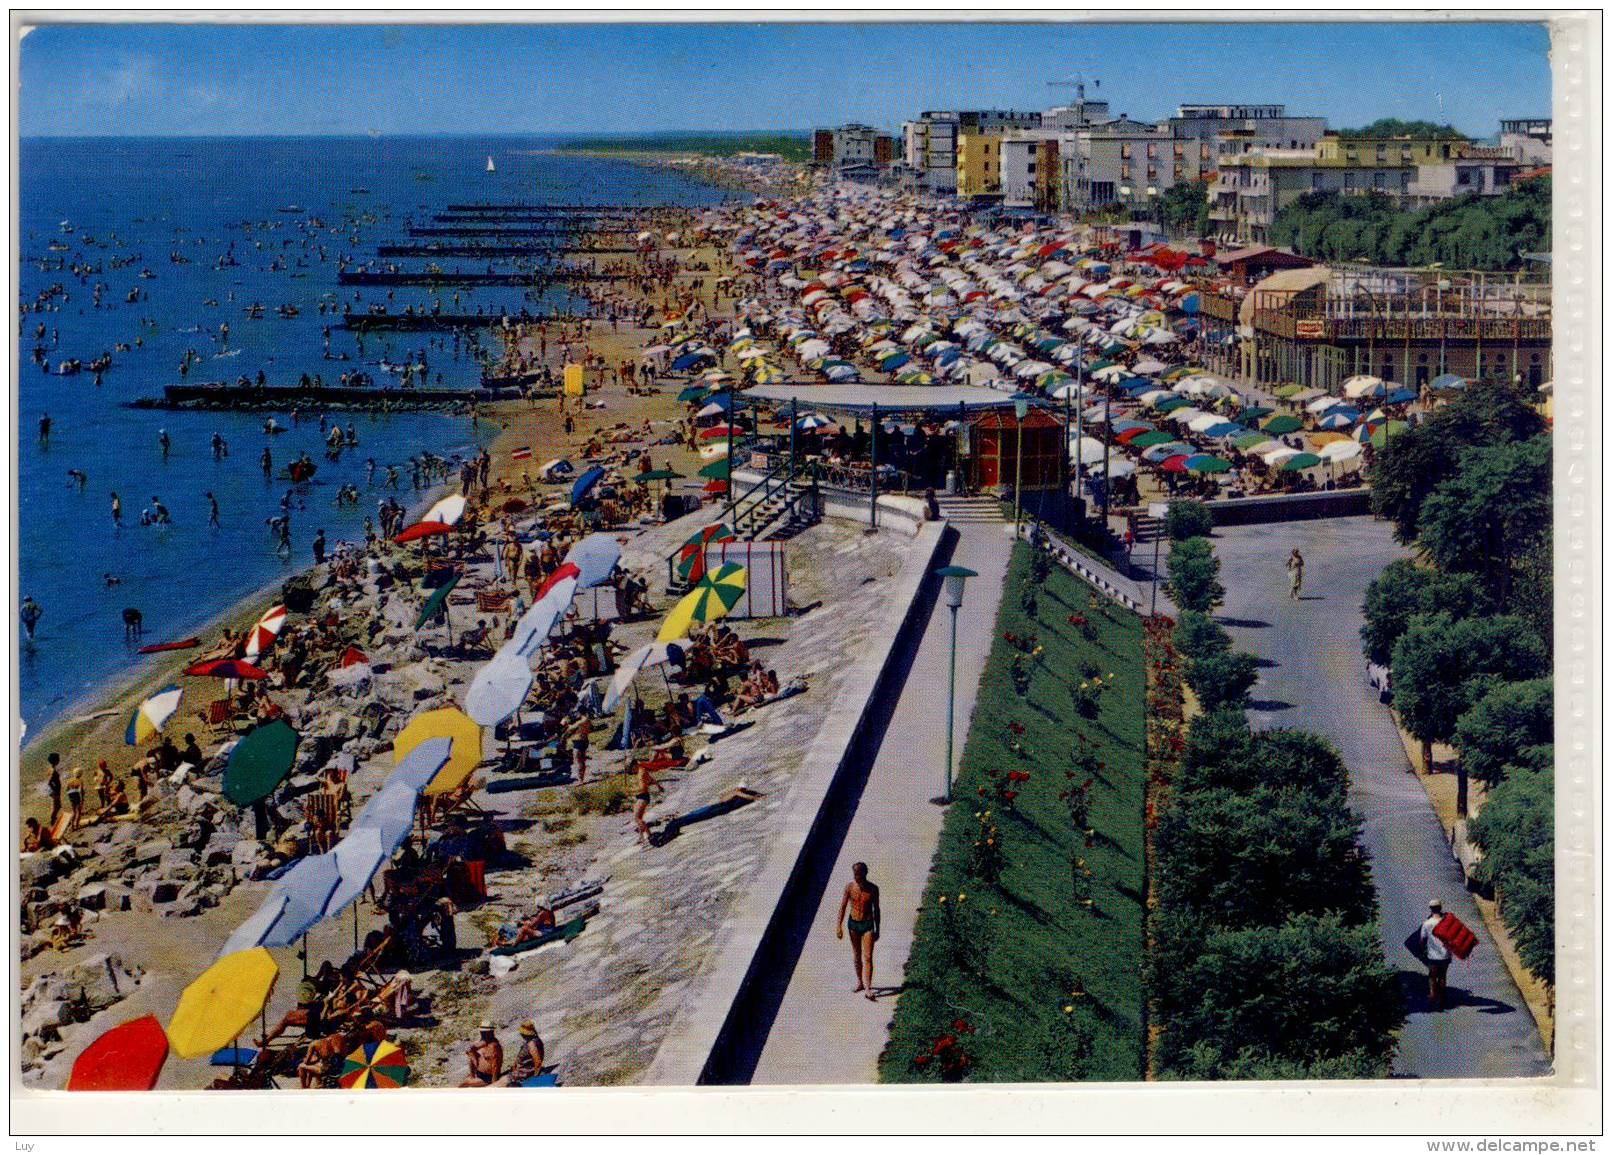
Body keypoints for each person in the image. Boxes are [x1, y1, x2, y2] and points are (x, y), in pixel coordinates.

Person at [836, 862, 881, 1000]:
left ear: (864, 874)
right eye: (855, 875)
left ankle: (868, 988)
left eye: (858, 875)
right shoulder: (850, 887)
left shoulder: (873, 889)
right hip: (853, 924)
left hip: (867, 924)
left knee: (867, 957)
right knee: (857, 955)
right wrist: (839, 925)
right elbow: (843, 907)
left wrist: (877, 928)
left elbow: (876, 910)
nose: (856, 877)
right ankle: (860, 982)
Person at [1420, 899, 1452, 1010]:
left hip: (1432, 956)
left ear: (1431, 909)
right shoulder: (1447, 922)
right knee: (1442, 976)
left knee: (1432, 977)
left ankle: (1433, 996)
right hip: (1445, 955)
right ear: (1440, 908)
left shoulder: (1427, 923)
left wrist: (1421, 950)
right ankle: (1442, 1000)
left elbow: (1422, 940)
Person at [497, 1022, 545, 1086]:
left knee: (500, 1082)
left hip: (526, 1071)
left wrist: (535, 1077)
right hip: (522, 1069)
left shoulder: (532, 1044)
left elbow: (538, 1062)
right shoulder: (532, 1041)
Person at [460, 1022, 503, 1087]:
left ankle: (473, 1079)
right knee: (471, 1052)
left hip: (487, 1078)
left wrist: (494, 1083)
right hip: (480, 1073)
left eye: (484, 1033)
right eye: (482, 1032)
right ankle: (472, 1076)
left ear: (489, 1033)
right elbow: (471, 1049)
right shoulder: (485, 1041)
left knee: (463, 1084)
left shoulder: (494, 1046)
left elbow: (495, 1066)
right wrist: (472, 1049)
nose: (482, 1034)